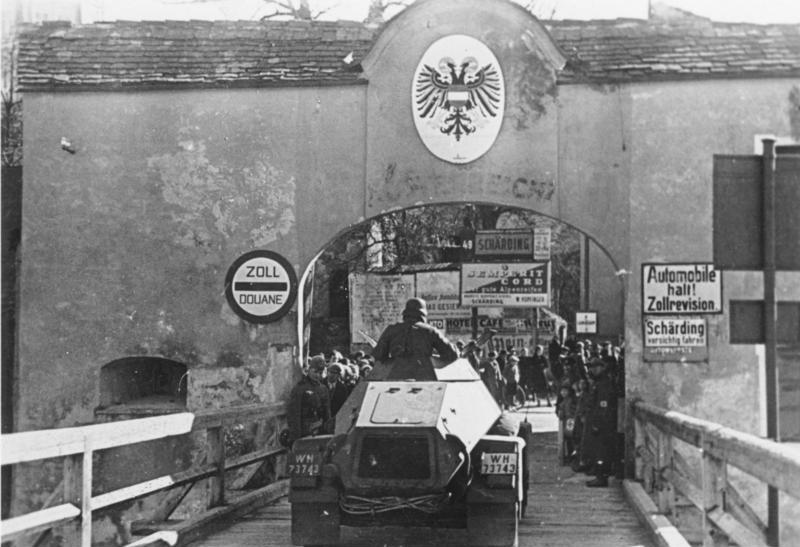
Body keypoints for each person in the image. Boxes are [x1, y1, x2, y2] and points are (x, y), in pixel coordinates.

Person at [372, 298, 458, 364]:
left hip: (395, 376)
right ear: (423, 315)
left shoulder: (391, 330)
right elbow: (452, 354)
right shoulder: (430, 331)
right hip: (424, 375)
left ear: (405, 314)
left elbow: (378, 355)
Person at [584, 358, 618, 487]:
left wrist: (598, 424)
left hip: (604, 424)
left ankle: (601, 477)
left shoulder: (604, 383)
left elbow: (603, 406)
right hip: (600, 422)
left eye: (595, 367)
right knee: (598, 451)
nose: (592, 369)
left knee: (602, 452)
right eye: (591, 367)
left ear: (601, 368)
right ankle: (599, 475)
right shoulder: (599, 382)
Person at [287, 355, 331, 445]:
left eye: (320, 372)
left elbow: (327, 413)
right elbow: (294, 414)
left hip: (320, 431)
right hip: (305, 431)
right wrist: (295, 438)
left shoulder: (323, 389)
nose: (317, 375)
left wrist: (328, 430)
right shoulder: (300, 388)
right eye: (315, 372)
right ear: (309, 369)